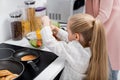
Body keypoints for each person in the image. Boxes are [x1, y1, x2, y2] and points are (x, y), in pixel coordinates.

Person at [41, 14, 108, 80]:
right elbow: (73, 39)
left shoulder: (73, 50)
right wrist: (57, 31)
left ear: (76, 36)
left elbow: (49, 42)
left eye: (68, 31)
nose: (67, 32)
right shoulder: (92, 46)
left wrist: (45, 25)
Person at [85, 0, 120, 80]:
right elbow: (89, 14)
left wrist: (86, 29)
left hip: (111, 31)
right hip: (99, 31)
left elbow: (104, 14)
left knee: (110, 71)